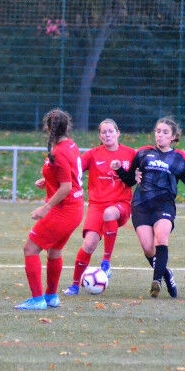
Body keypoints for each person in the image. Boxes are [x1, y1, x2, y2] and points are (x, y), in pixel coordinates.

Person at [111, 117, 185, 298]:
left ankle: (156, 281)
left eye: (165, 132)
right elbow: (130, 180)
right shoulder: (143, 153)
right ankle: (166, 274)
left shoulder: (178, 158)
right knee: (148, 249)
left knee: (161, 238)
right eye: (158, 131)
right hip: (141, 205)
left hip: (164, 205)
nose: (160, 135)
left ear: (173, 137)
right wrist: (119, 169)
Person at [14, 108, 84, 310]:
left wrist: (45, 208)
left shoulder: (59, 152)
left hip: (64, 210)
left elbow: (66, 186)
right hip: (75, 209)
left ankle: (37, 300)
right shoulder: (70, 145)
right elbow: (68, 175)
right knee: (54, 252)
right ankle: (51, 296)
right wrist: (48, 180)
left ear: (47, 127)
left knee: (30, 249)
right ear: (67, 127)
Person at [63, 119, 136, 295]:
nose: (107, 135)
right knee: (88, 245)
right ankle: (75, 285)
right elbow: (72, 170)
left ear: (118, 133)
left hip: (121, 204)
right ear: (99, 136)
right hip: (97, 206)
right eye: (103, 132)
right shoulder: (93, 154)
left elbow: (140, 173)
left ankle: (106, 263)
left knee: (110, 213)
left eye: (110, 131)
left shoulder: (131, 154)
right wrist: (49, 178)